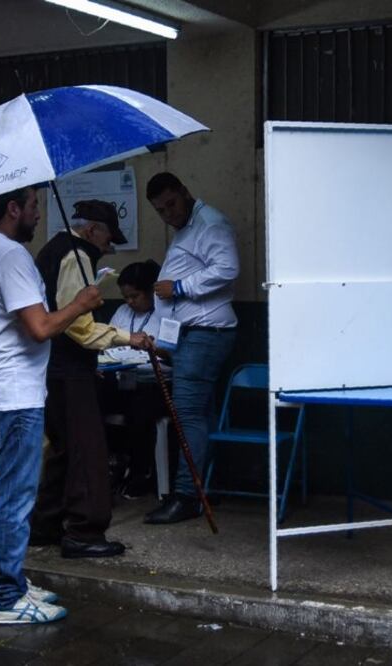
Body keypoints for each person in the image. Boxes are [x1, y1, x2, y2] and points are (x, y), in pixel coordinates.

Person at [0, 185, 103, 625]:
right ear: (13, 208)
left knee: (3, 493)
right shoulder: (10, 256)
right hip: (13, 395)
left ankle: (7, 578)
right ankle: (6, 597)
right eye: (34, 206)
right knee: (13, 499)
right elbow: (39, 327)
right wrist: (81, 303)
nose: (39, 215)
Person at [31, 200, 151, 560]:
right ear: (92, 230)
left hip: (49, 367)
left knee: (64, 449)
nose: (105, 248)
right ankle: (84, 532)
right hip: (69, 368)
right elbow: (79, 326)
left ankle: (44, 525)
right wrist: (128, 337)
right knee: (89, 451)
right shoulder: (77, 256)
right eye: (106, 240)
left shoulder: (50, 250)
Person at [142, 172, 239, 525]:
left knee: (187, 415)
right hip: (192, 332)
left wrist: (180, 286)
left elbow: (228, 268)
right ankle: (203, 488)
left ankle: (187, 495)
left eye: (171, 203)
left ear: (185, 192)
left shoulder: (209, 223)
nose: (168, 212)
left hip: (205, 332)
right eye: (160, 210)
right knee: (200, 415)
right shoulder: (189, 228)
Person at [102, 259, 170, 499]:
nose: (130, 302)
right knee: (95, 399)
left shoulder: (165, 312)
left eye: (135, 296)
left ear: (152, 291)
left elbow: (172, 354)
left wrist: (151, 348)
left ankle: (142, 472)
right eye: (126, 297)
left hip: (157, 382)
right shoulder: (122, 312)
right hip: (123, 378)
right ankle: (113, 463)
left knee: (140, 408)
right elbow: (109, 340)